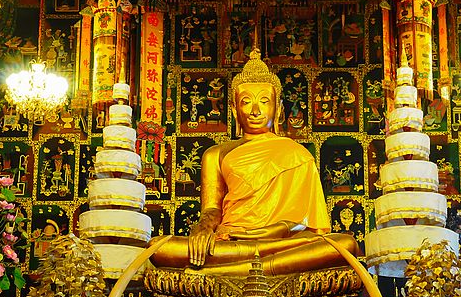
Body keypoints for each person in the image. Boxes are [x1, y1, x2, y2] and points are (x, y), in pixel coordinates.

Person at [148, 49, 358, 276]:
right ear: (235, 110)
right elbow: (211, 208)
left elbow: (310, 225)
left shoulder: (298, 154)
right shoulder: (216, 153)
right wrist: (203, 228)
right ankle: (251, 267)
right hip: (230, 241)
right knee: (159, 247)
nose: (255, 111)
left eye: (264, 102)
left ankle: (218, 272)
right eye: (246, 102)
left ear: (277, 110)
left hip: (281, 241)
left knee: (344, 245)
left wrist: (277, 229)